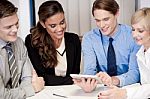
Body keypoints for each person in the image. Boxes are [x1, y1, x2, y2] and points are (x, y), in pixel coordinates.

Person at [73, 0, 140, 92]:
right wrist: (89, 82)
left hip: (127, 88)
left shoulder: (132, 36)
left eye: (106, 19)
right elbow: (89, 69)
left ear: (116, 13)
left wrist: (112, 80)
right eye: (97, 20)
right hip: (101, 89)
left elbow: (135, 73)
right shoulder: (89, 38)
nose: (101, 25)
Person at [98, 7, 150, 99]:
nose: (134, 35)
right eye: (133, 29)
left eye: (140, 31)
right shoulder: (141, 51)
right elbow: (144, 85)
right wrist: (117, 90)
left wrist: (125, 93)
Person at [25, 0, 81, 86]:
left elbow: (75, 74)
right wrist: (70, 80)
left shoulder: (74, 39)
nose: (59, 29)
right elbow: (41, 77)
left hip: (70, 90)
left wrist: (72, 81)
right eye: (53, 26)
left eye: (62, 22)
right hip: (46, 91)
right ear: (43, 24)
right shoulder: (32, 41)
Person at [0, 0, 44, 99]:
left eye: (16, 23)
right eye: (9, 27)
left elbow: (27, 77)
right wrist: (31, 89)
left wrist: (22, 93)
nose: (15, 29)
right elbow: (2, 95)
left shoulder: (19, 43)